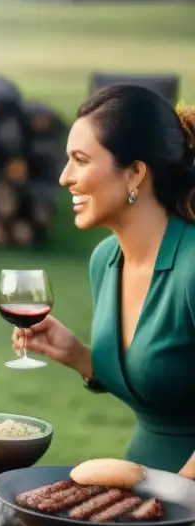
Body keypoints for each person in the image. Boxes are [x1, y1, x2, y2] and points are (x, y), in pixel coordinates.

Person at [11, 84, 195, 477]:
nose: (64, 178)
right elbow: (161, 384)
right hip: (144, 485)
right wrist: (79, 355)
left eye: (80, 160)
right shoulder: (106, 261)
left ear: (135, 173)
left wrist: (172, 501)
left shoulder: (192, 268)